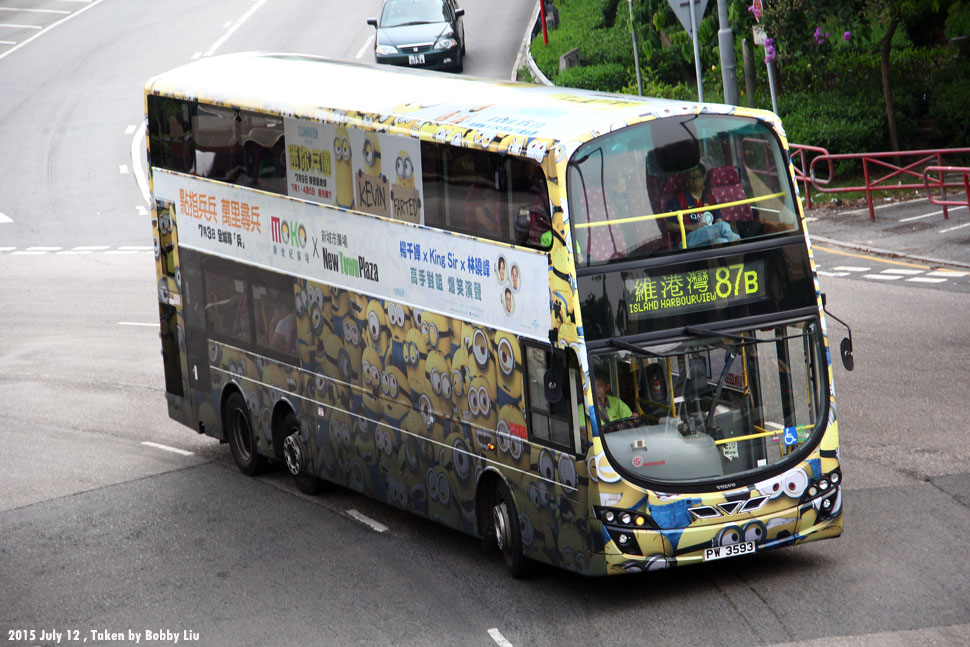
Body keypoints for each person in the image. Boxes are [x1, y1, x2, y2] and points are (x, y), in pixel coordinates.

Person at [665, 161, 740, 247]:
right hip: (687, 240)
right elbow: (668, 225)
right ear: (686, 180)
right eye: (691, 178)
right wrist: (691, 227)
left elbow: (718, 221)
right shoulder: (677, 199)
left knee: (721, 240)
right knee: (722, 227)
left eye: (697, 177)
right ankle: (738, 242)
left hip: (708, 239)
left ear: (704, 178)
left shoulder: (710, 198)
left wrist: (715, 230)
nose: (694, 181)